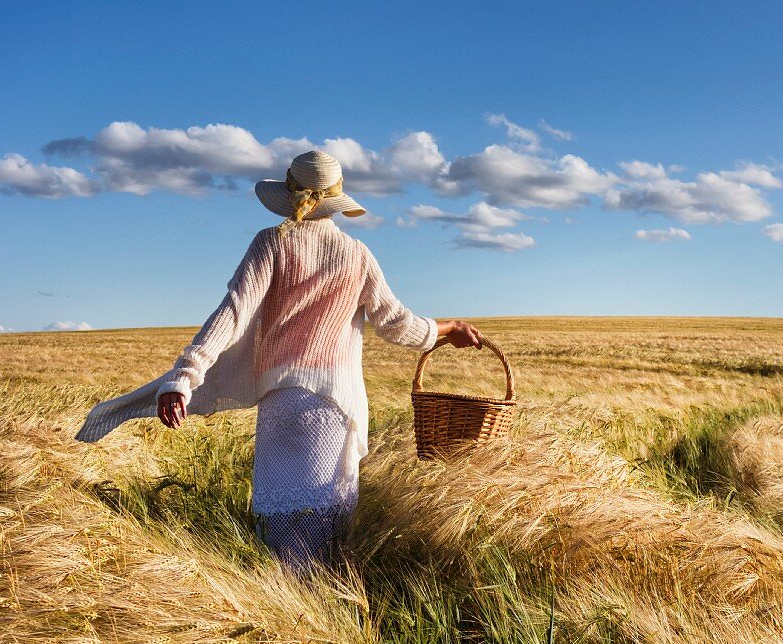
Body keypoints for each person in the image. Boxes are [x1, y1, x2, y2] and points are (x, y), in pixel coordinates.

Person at [76, 150, 482, 574]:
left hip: (282, 406)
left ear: (289, 196)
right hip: (334, 408)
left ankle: (281, 615)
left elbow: (231, 315)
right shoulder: (358, 255)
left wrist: (183, 378)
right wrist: (448, 327)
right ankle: (326, 622)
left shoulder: (272, 242)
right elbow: (398, 325)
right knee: (326, 536)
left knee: (282, 534)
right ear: (336, 202)